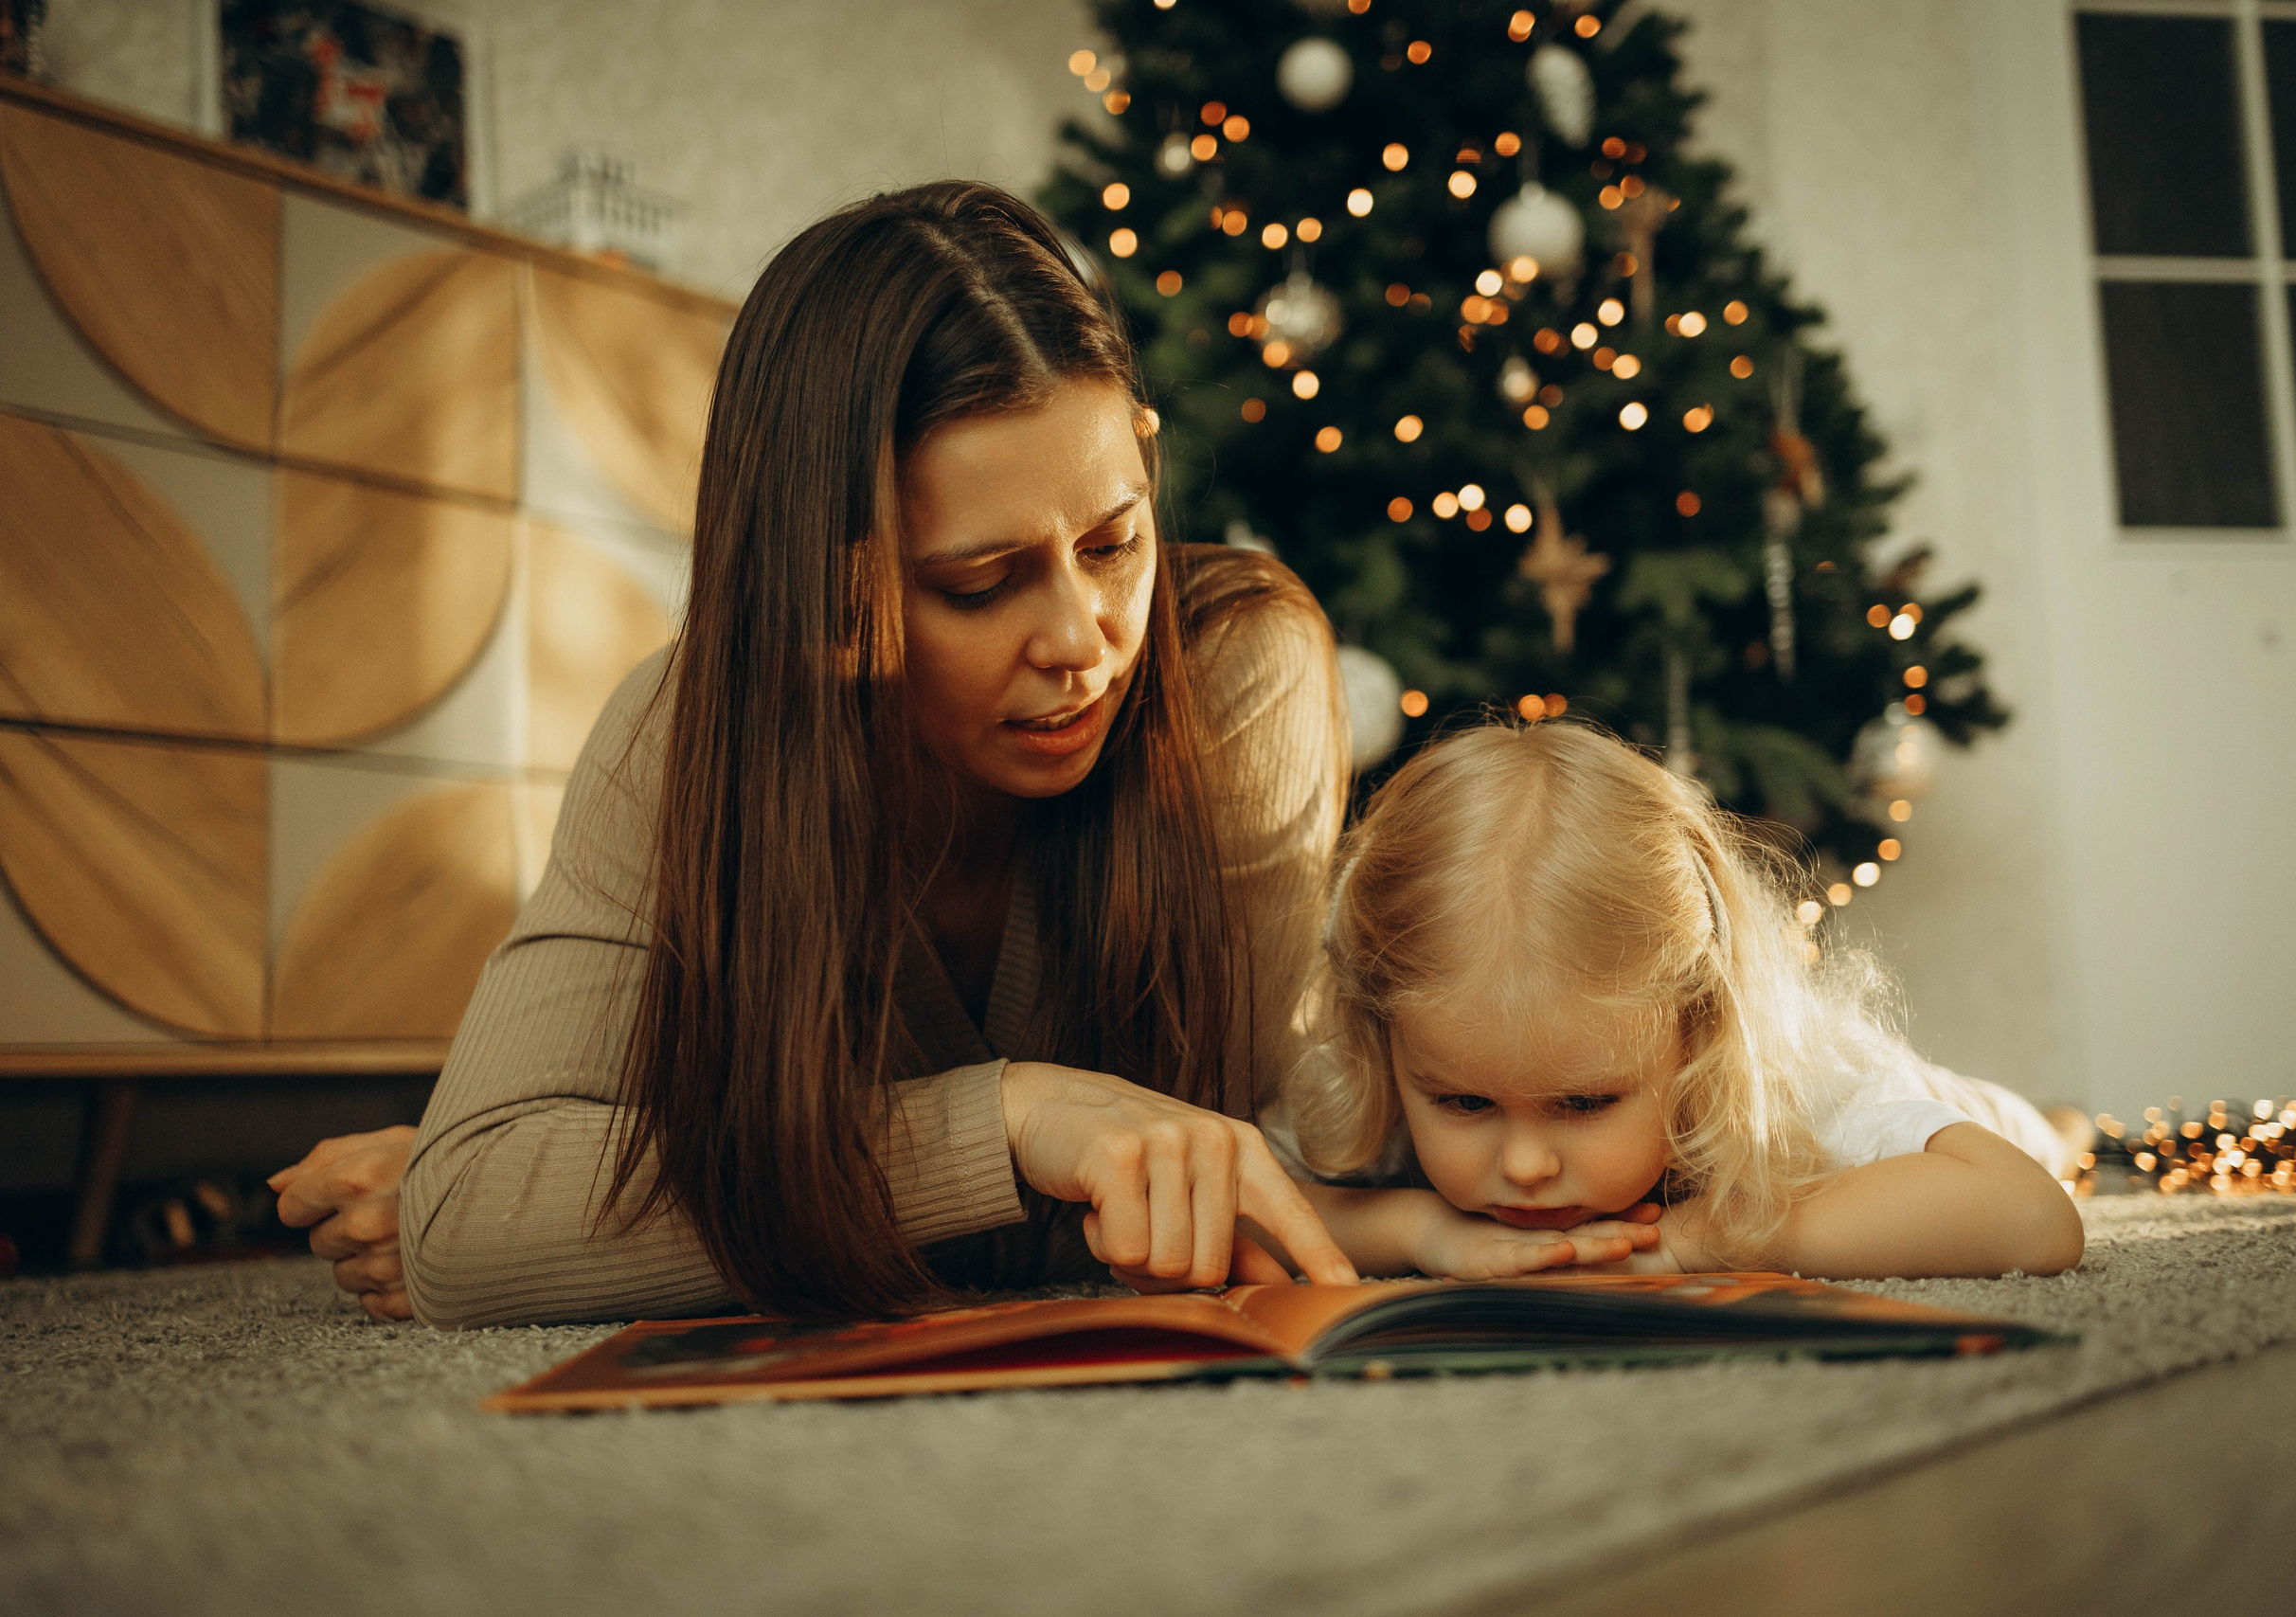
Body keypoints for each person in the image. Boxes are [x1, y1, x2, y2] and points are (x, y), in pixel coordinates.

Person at [268, 180, 1458, 1326]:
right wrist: (1009, 1121)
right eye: (979, 585)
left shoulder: (1232, 676)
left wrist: (626, 1212)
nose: (1083, 642)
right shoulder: (683, 730)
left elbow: (1204, 1190)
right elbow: (470, 1218)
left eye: (1113, 543)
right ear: (828, 591)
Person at [1277, 720, 2086, 1282]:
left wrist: (1690, 1239)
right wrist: (1423, 1229)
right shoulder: (1388, 1066)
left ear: (1697, 1032)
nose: (1524, 1165)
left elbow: (2031, 1215)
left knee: (2041, 1135)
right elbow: (1259, 1208)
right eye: (1462, 1101)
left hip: (1960, 1115)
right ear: (1383, 1035)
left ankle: (2063, 1119)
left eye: (1586, 1101)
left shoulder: (1794, 1085)